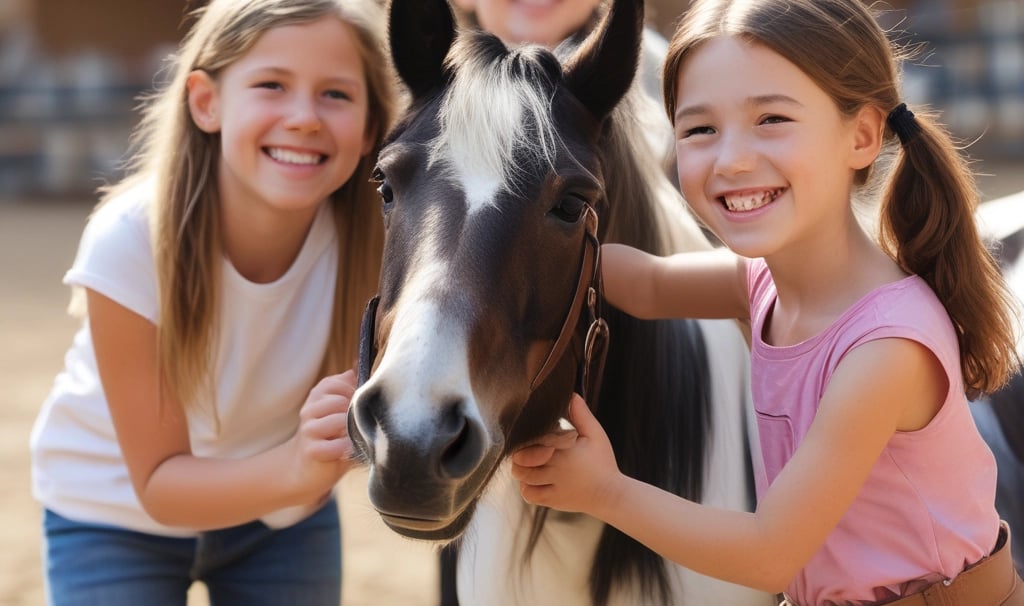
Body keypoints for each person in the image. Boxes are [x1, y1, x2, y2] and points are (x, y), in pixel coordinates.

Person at [511, 0, 1024, 604]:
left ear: (861, 135)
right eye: (700, 129)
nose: (731, 160)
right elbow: (645, 283)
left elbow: (770, 555)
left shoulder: (885, 348)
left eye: (772, 119)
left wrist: (605, 491)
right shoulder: (761, 282)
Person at [29, 0, 396, 604]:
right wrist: (299, 468)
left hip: (282, 521)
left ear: (370, 131)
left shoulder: (378, 249)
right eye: (272, 84)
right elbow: (157, 484)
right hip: (111, 516)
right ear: (206, 101)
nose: (304, 117)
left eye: (336, 94)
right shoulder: (130, 239)